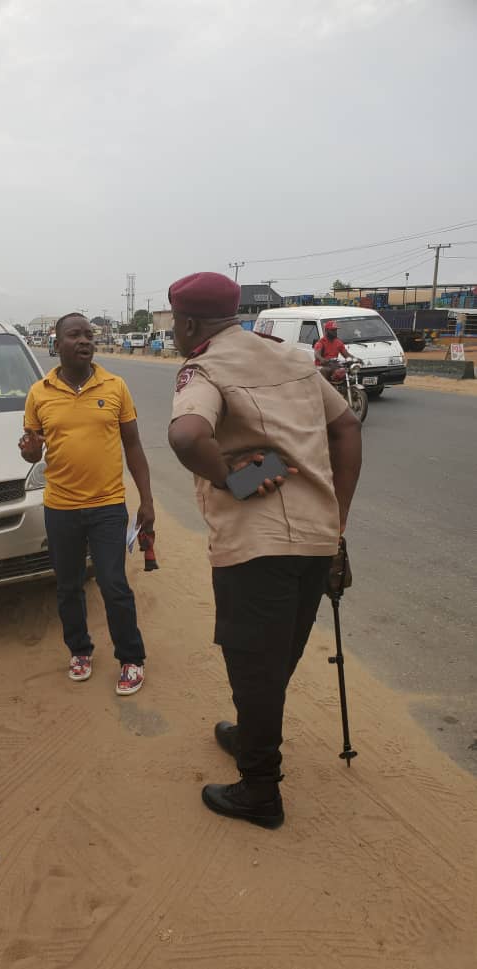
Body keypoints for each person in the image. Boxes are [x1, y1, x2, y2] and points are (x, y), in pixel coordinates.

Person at [167, 273, 362, 829]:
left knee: (253, 663)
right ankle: (253, 733)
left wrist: (229, 477)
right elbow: (347, 428)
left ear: (186, 323)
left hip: (257, 548)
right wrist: (337, 517)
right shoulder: (293, 358)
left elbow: (185, 436)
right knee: (277, 658)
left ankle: (260, 791)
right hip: (317, 540)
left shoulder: (203, 367)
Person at [19, 312, 153, 695]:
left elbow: (133, 445)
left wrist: (147, 500)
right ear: (56, 342)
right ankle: (79, 650)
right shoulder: (39, 392)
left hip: (109, 505)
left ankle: (131, 658)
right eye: (74, 335)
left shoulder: (115, 386)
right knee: (68, 586)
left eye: (89, 336)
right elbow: (32, 451)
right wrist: (30, 450)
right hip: (60, 507)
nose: (84, 341)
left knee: (114, 584)